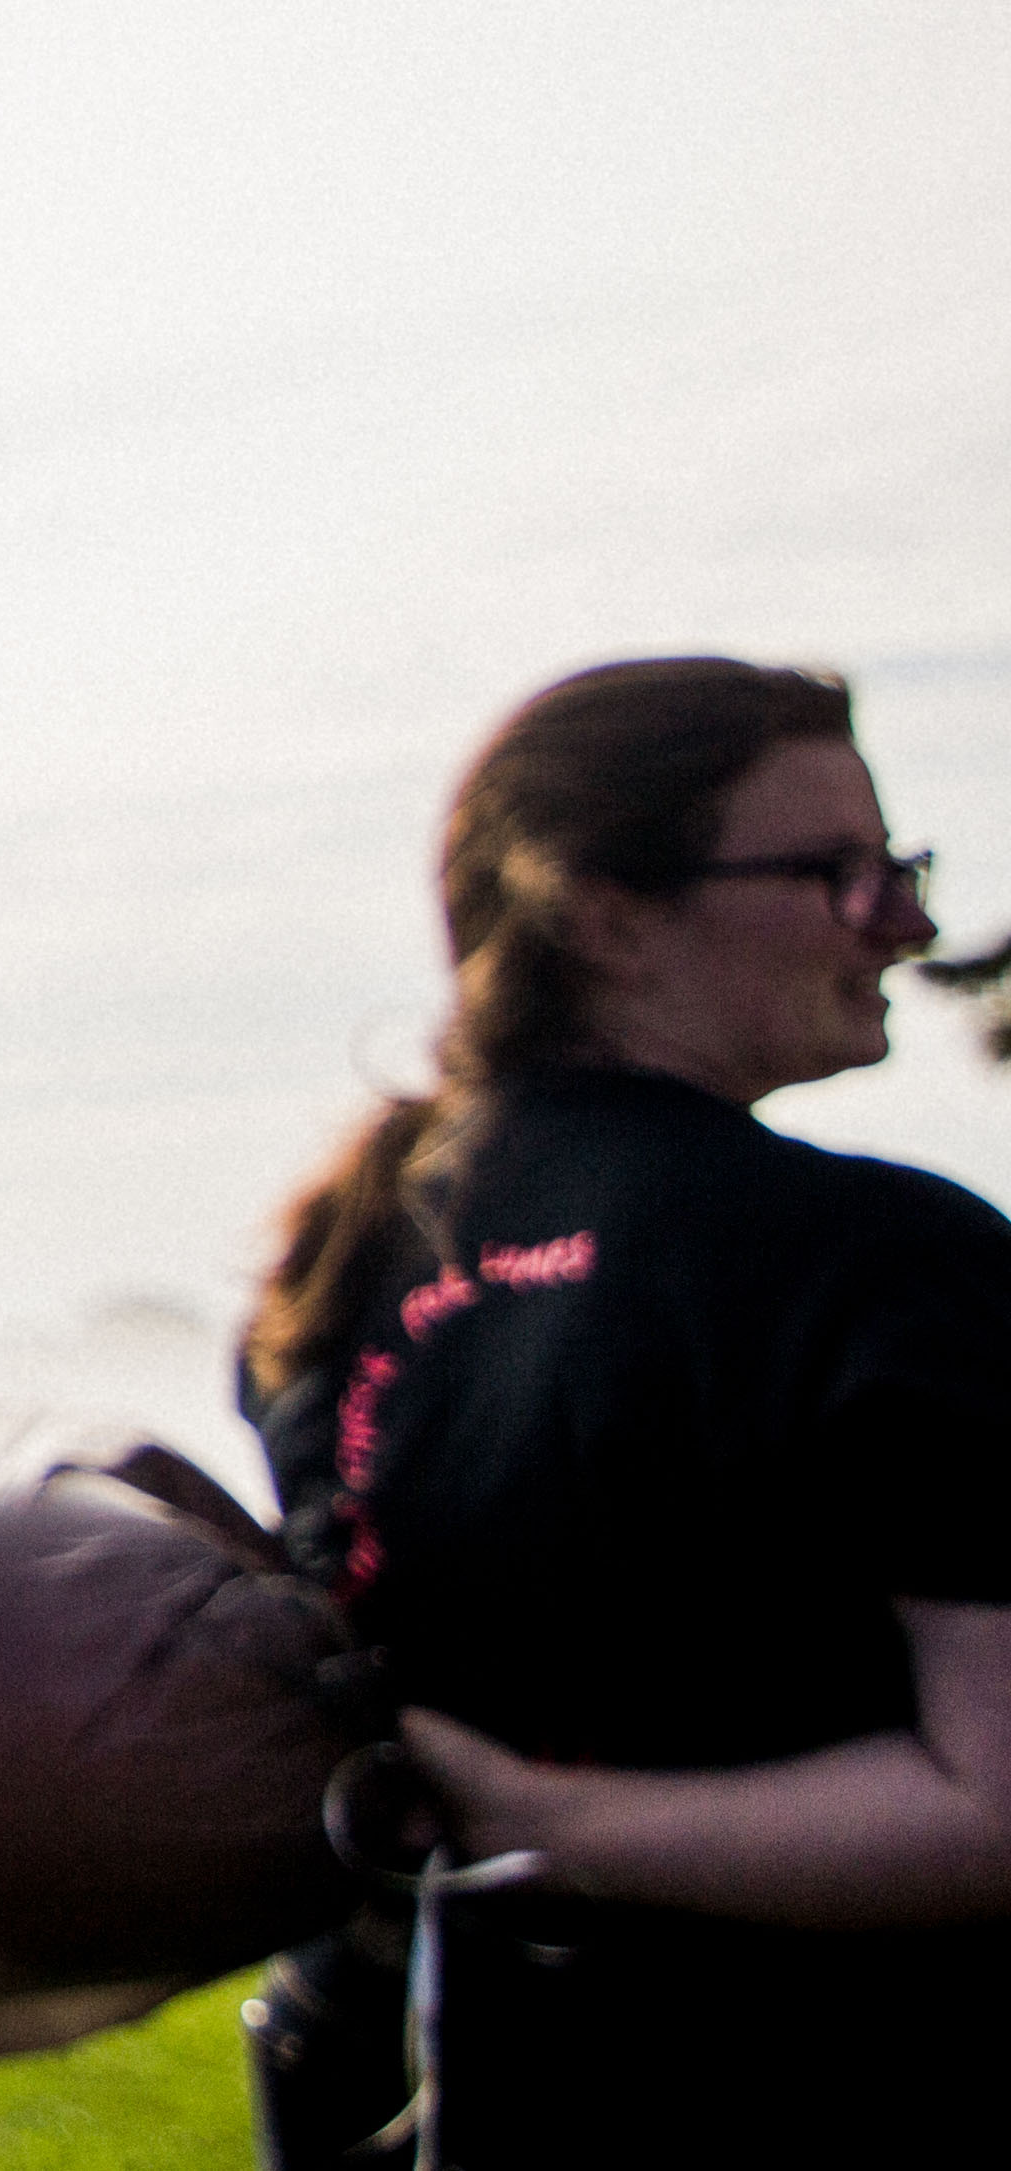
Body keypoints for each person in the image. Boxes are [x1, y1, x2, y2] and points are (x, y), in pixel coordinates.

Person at [234, 656, 1009, 2162]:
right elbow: (999, 1809)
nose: (904, 925)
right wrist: (545, 1819)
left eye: (899, 869)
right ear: (602, 914)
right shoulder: (880, 1261)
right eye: (838, 873)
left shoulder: (335, 1275)